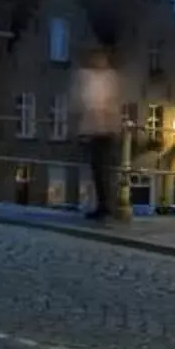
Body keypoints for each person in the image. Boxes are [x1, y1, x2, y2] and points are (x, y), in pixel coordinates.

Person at [75, 46, 129, 221]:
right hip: (97, 130)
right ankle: (103, 205)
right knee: (98, 170)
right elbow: (85, 102)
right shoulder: (91, 77)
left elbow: (110, 103)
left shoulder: (109, 79)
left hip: (106, 131)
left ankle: (108, 207)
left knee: (104, 170)